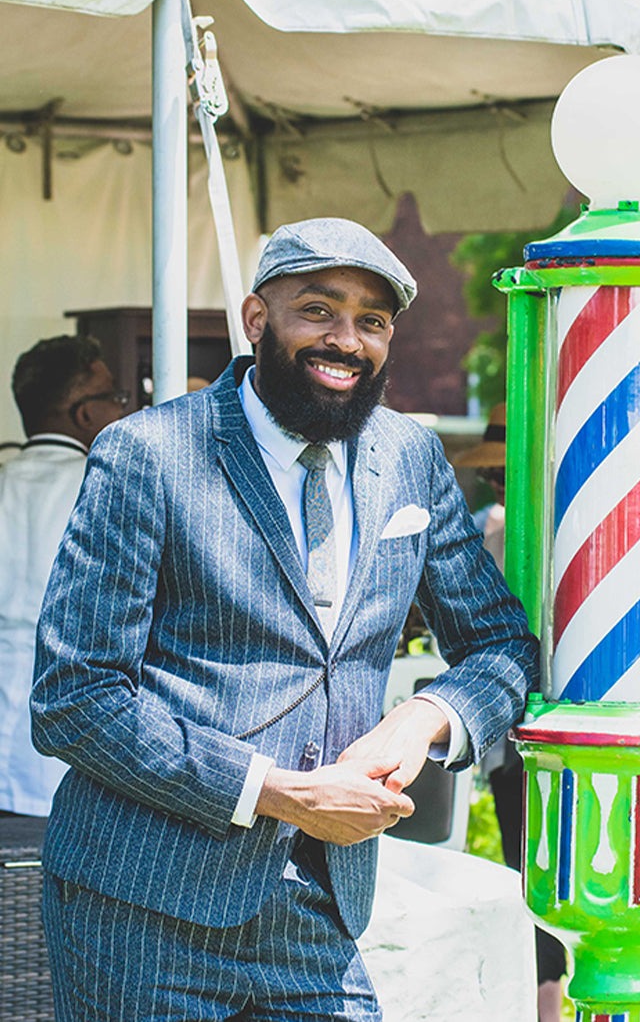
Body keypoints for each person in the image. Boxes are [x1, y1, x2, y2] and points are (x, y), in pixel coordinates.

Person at [31, 217, 540, 1022]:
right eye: (319, 310)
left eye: (372, 321)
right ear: (257, 319)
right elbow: (74, 697)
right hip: (143, 905)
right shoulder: (150, 454)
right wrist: (276, 791)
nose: (347, 339)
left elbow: (503, 646)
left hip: (322, 909)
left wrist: (423, 718)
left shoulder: (410, 455)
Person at [455, 403, 640, 1022]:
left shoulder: (574, 529)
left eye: (506, 474)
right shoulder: (490, 534)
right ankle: (554, 1006)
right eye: (494, 476)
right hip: (527, 731)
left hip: (587, 720)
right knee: (540, 873)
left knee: (622, 863)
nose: (501, 487)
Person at [0, 335, 125, 828]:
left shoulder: (4, 480)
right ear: (84, 416)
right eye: (114, 399)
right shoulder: (105, 489)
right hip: (65, 738)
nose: (122, 411)